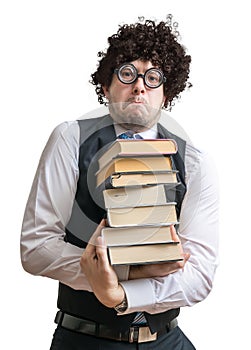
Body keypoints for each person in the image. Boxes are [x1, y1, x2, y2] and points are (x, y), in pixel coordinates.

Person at [20, 16, 219, 349]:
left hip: (166, 340)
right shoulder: (71, 139)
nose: (140, 86)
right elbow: (36, 248)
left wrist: (120, 292)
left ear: (166, 94)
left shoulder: (196, 162)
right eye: (127, 73)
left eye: (153, 78)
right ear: (105, 86)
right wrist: (130, 274)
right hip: (84, 339)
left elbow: (199, 275)